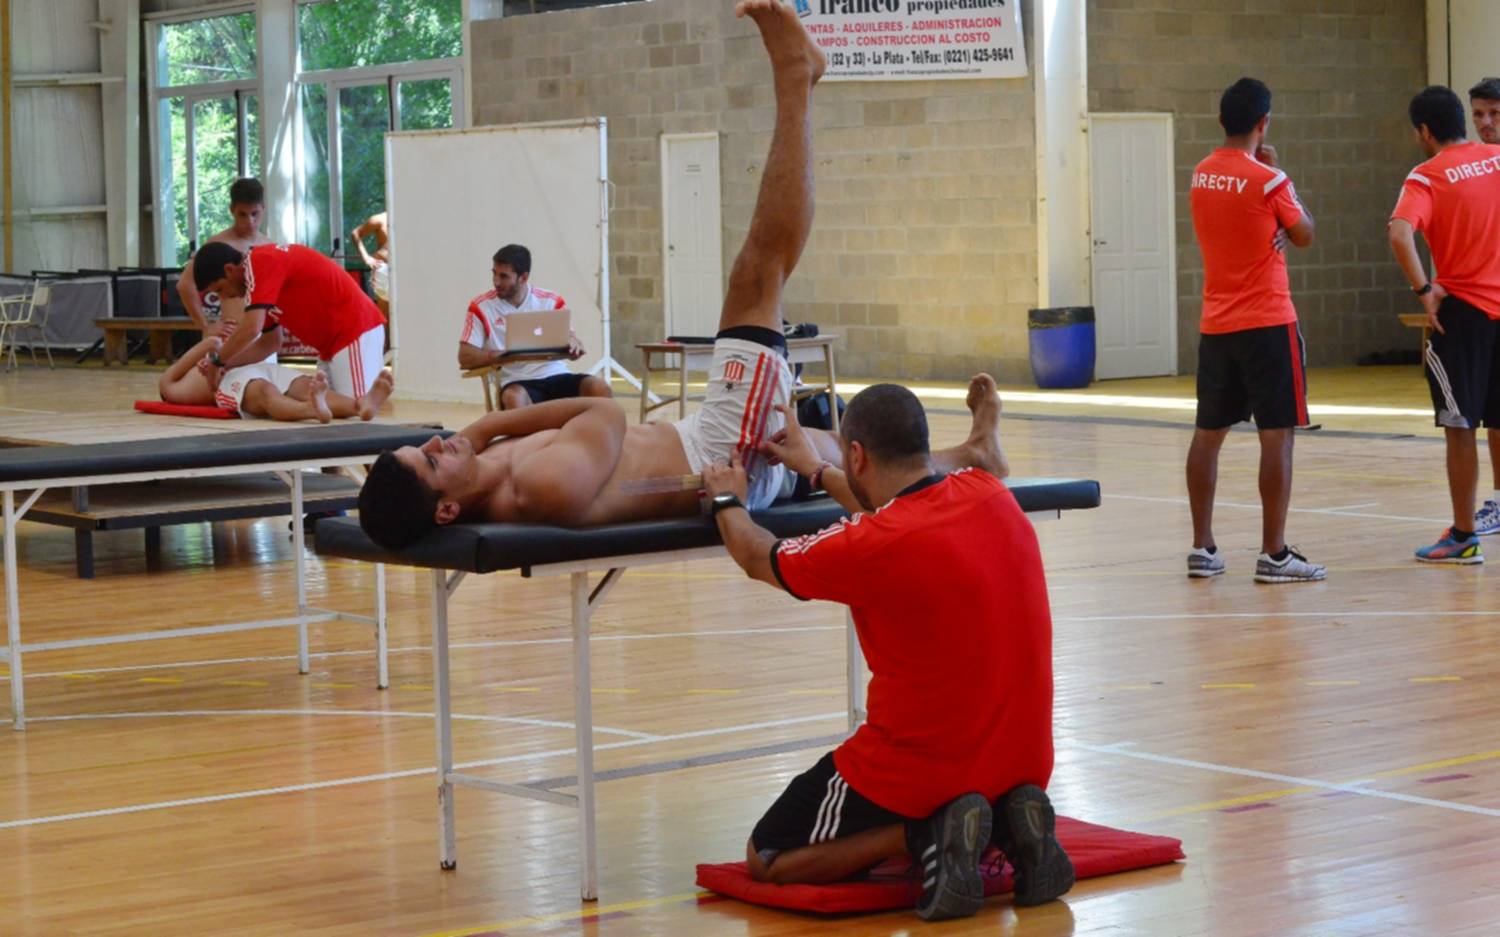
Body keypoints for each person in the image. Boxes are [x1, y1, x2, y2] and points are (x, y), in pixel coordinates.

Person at [356, 0, 1005, 550]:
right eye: (433, 458)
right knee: (758, 273)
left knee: (828, 445)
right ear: (447, 511)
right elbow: (605, 414)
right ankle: (795, 79)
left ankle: (974, 458)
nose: (442, 442)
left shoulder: (483, 476)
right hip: (719, 455)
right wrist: (487, 427)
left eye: (430, 445)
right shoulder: (535, 488)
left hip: (702, 440)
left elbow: (595, 426)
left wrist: (479, 437)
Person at [698, 378, 1074, 919]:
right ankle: (1011, 823)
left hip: (924, 773)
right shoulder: (989, 493)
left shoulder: (870, 546)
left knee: (769, 854)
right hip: (1025, 759)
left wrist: (726, 498)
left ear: (857, 455)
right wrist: (815, 470)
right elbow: (898, 509)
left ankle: (924, 831)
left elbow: (760, 556)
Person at [1185, 77, 1325, 583]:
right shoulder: (1270, 180)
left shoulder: (1200, 175)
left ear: (1223, 120)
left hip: (1216, 324)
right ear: (1263, 122)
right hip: (1267, 322)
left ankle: (1202, 547)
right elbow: (1305, 233)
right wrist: (1278, 182)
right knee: (1277, 435)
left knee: (1208, 433)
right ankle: (1274, 554)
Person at [1388, 85, 1500, 563]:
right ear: (1464, 119)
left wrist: (1423, 290)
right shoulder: (1497, 159)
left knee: (1460, 425)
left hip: (1464, 315)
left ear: (1425, 131)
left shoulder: (1426, 175)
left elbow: (1398, 232)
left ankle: (1462, 535)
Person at [190, 242, 388, 401]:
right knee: (328, 407)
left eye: (220, 289)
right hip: (332, 344)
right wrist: (228, 364)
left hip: (353, 330)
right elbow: (269, 343)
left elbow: (251, 329)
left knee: (359, 410)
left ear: (230, 270)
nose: (224, 297)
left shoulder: (260, 262)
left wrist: (218, 361)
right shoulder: (257, 284)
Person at [457, 244, 611, 410]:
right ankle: (539, 435)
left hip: (556, 375)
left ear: (523, 278)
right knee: (513, 397)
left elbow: (569, 343)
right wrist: (497, 356)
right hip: (516, 382)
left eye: (504, 276)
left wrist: (575, 344)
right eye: (494, 273)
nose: (496, 281)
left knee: (600, 388)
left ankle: (593, 434)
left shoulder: (551, 301)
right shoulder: (481, 307)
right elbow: (464, 356)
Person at [158, 335, 393, 422]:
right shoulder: (171, 389)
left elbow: (214, 344)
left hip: (256, 366)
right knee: (267, 393)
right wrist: (211, 355)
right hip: (229, 382)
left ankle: (360, 405)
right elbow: (212, 343)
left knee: (304, 385)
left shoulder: (178, 384)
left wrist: (213, 357)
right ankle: (313, 409)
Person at [176, 177, 273, 337]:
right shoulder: (218, 244)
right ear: (232, 210)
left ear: (263, 208)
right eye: (242, 214)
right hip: (230, 332)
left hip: (263, 334)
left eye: (255, 214)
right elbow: (184, 285)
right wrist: (205, 326)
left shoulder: (269, 245)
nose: (250, 221)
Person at [1466, 78, 1500, 535]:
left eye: (1494, 113)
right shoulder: (1467, 168)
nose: (1485, 123)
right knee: (1496, 411)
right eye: (1477, 114)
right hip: (1486, 306)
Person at [352, 211, 391, 317]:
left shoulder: (411, 219)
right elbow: (356, 233)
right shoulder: (379, 219)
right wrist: (366, 258)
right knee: (385, 316)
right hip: (383, 269)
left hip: (406, 269)